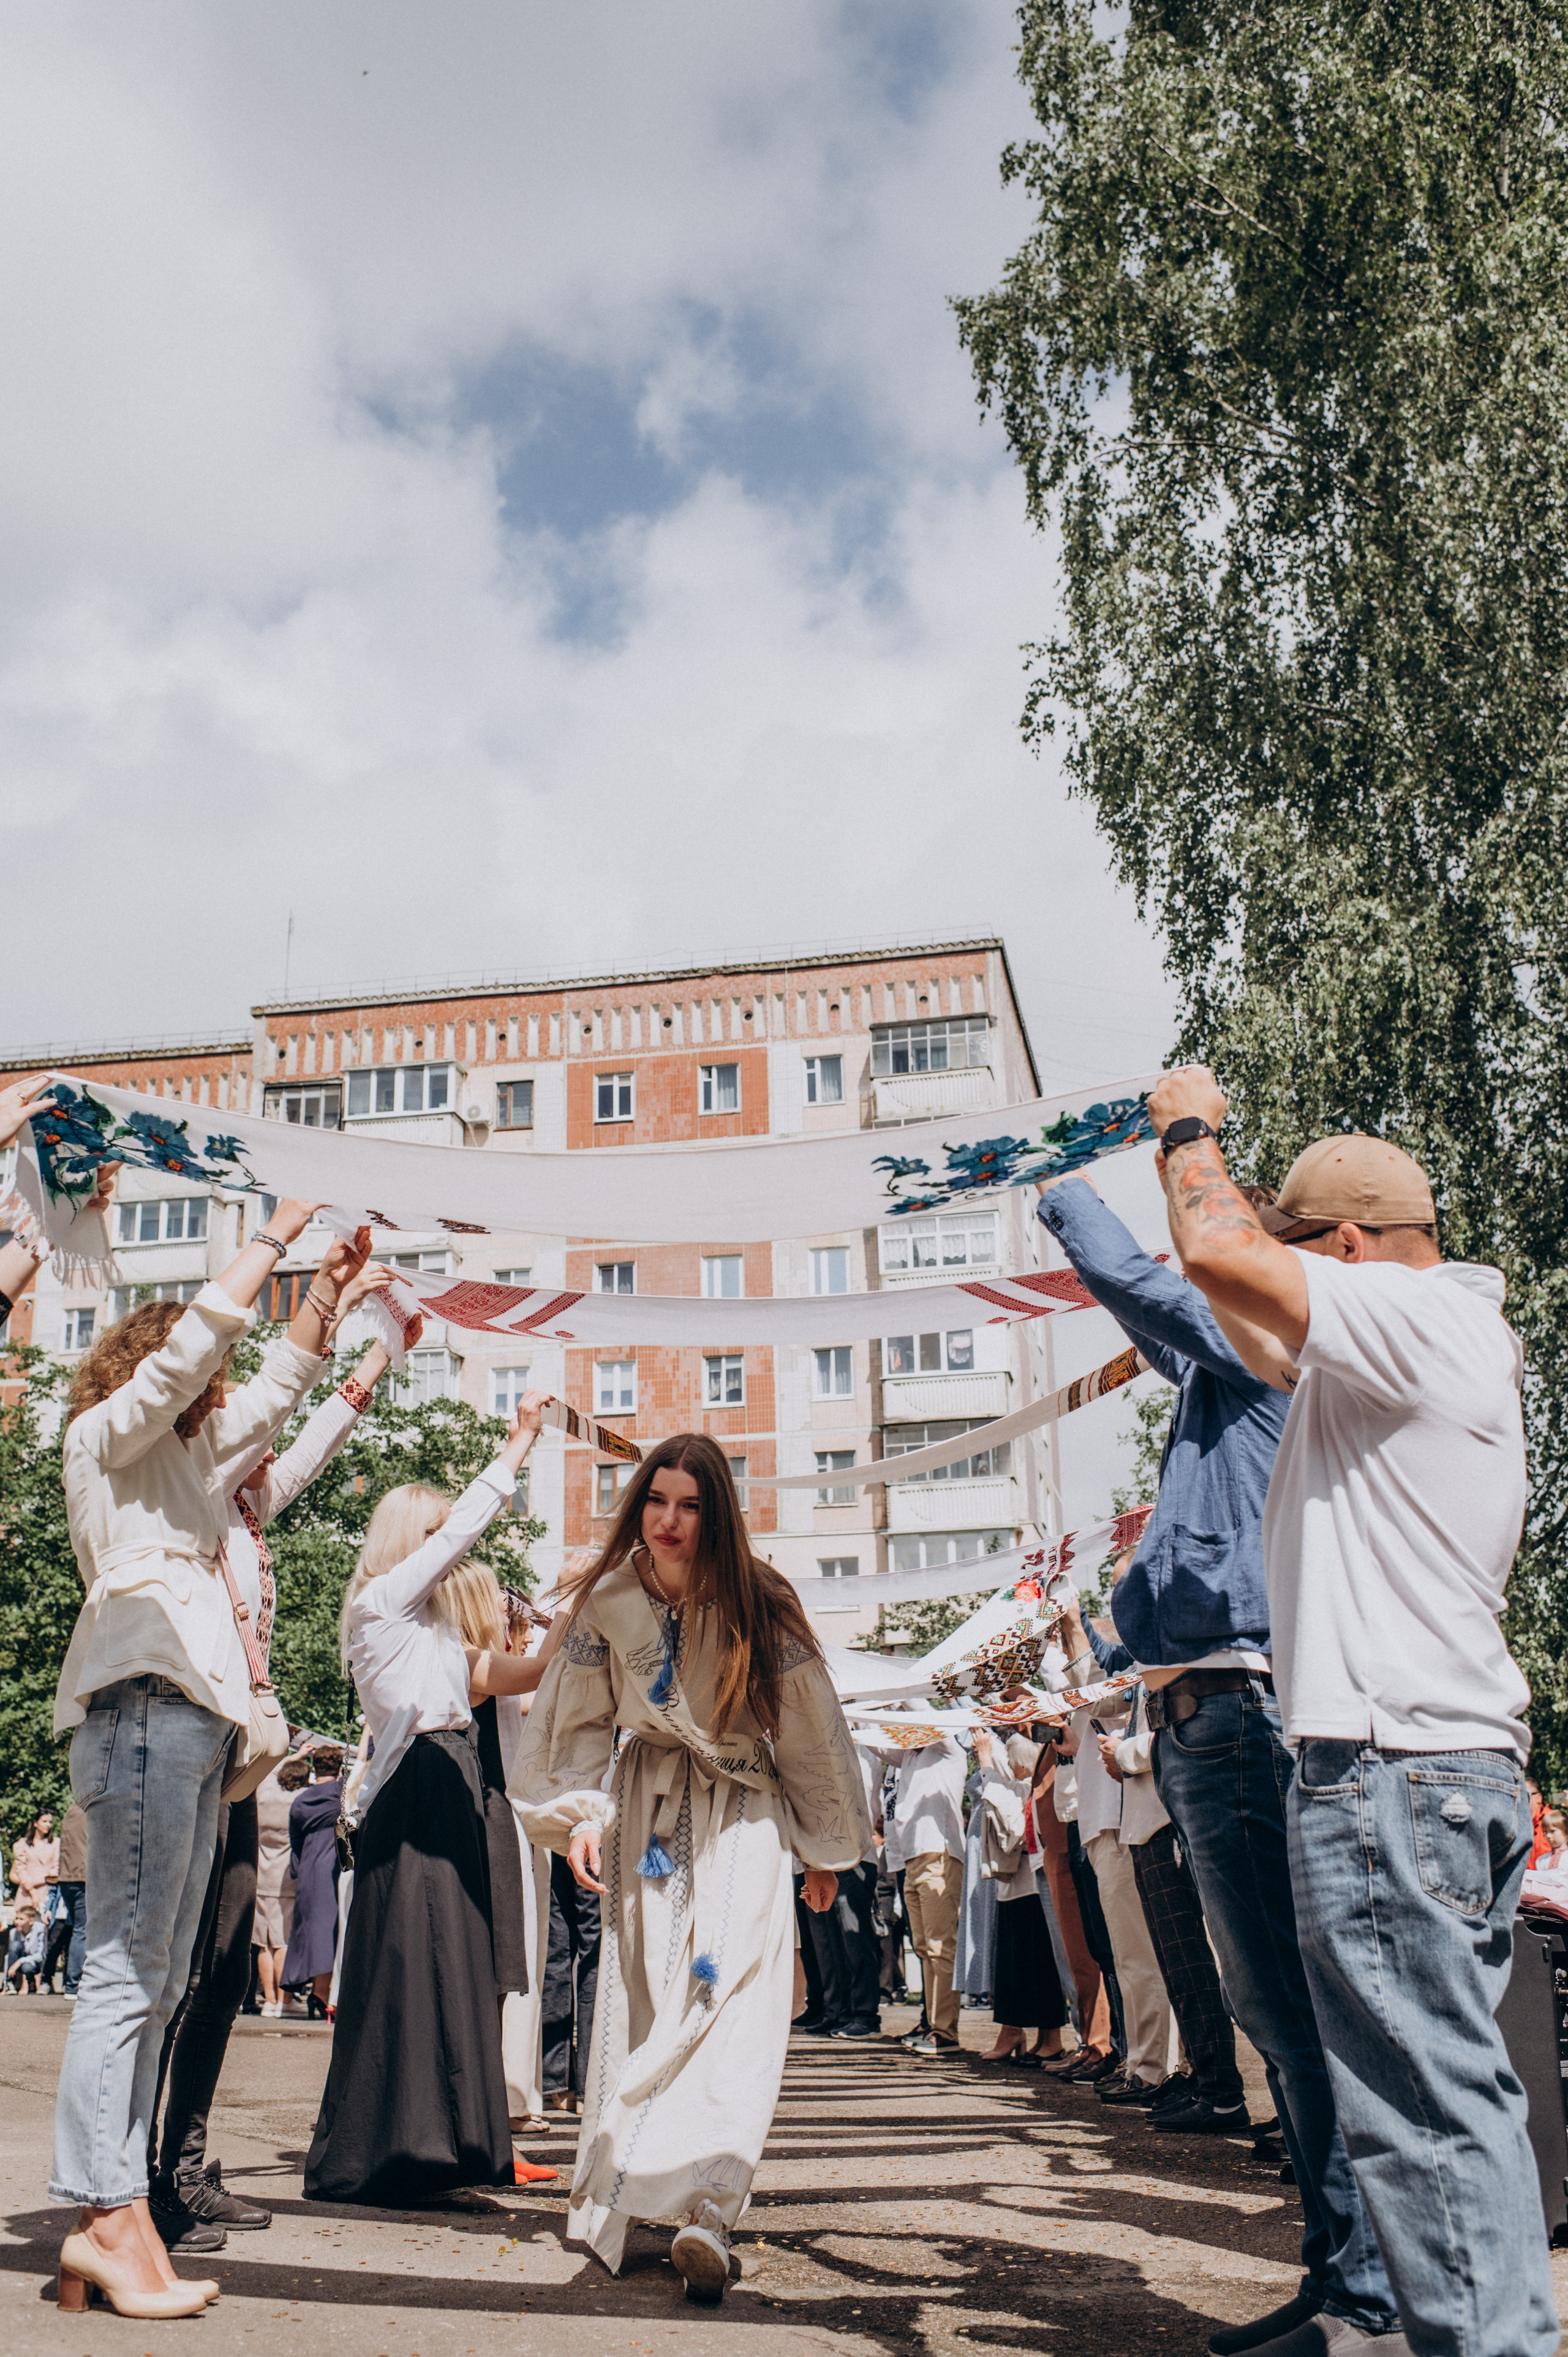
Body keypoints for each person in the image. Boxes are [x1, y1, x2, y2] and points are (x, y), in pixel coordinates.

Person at [1145, 1066, 1555, 2357]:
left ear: (1355, 1249)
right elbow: (1234, 1306)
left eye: (1301, 1245)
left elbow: (1217, 1250)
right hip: (1426, 1769)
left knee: (1425, 2120)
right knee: (1440, 2103)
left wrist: (1186, 1130)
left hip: (1392, 1770)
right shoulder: (1405, 1349)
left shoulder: (1412, 1317)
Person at [1039, 1160, 1396, 2357]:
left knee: (1296, 2018)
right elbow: (1154, 1318)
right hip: (1213, 1713)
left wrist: (1053, 1171)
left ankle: (1361, 2297)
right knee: (1275, 2015)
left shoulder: (1267, 1336)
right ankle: (1341, 2280)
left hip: (1245, 1712)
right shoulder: (1227, 1361)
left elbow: (1132, 1277)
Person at [48, 1196, 337, 2320]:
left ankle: (115, 2216)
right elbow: (186, 1369)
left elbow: (271, 1397)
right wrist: (270, 1243)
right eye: (194, 1382)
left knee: (160, 1977)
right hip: (144, 1707)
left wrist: (323, 1298)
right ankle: (101, 2210)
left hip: (191, 1724)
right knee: (125, 1970)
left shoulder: (186, 1470)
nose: (215, 1400)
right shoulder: (104, 1441)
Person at [510, 1434, 870, 2302]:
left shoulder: (761, 1597)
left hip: (746, 1808)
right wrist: (582, 1816)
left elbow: (813, 1725)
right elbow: (572, 1724)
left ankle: (711, 2204)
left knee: (732, 1992)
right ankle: (630, 2193)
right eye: (656, 1501)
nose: (669, 1521)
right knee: (647, 1989)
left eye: (691, 1505)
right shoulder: (609, 1600)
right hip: (651, 1814)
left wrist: (823, 1850)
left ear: (717, 1513)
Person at [148, 1272, 398, 2252]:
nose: (266, 1465)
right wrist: (328, 1306)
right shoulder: (192, 1488)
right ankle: (140, 2181)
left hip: (235, 1759)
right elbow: (274, 1423)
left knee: (216, 1970)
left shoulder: (243, 1508)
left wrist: (383, 1350)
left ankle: (181, 2164)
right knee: (177, 1969)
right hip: (188, 1742)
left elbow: (304, 1445)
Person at [303, 1394, 552, 2208]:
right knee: (415, 1964)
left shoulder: (429, 1632)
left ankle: (448, 2143)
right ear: (413, 1541)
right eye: (437, 1534)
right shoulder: (382, 1606)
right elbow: (463, 1536)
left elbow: (504, 1678)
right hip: (416, 1791)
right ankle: (401, 2147)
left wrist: (579, 1631)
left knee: (452, 1962)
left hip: (447, 1787)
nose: (453, 1552)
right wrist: (516, 1444)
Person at [1097, 1680, 1246, 2130]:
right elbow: (1103, 1699)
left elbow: (1187, 1726)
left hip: (1169, 1819)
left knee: (1195, 1966)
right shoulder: (1143, 1668)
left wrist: (1125, 1754)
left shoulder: (1178, 1656)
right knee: (1180, 1968)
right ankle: (1205, 2082)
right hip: (1146, 1824)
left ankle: (1221, 2092)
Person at [858, 1726, 968, 2057]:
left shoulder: (947, 1749)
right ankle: (934, 2025)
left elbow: (920, 1708)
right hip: (911, 1857)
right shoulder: (908, 1756)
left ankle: (945, 2031)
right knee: (923, 1946)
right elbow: (877, 1743)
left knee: (939, 1946)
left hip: (940, 1853)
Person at [972, 1732, 1068, 2064]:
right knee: (1014, 1965)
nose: (1009, 1767)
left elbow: (1010, 1822)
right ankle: (1017, 2031)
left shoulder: (1030, 1788)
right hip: (1014, 1888)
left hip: (1032, 1886)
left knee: (1040, 1964)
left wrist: (986, 1763)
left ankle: (1050, 2038)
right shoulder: (1021, 1784)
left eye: (1013, 1762)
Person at [282, 1747, 344, 2011]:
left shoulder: (301, 1801)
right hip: (333, 1863)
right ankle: (321, 1994)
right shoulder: (340, 1795)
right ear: (339, 1767)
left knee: (310, 1929)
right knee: (329, 1930)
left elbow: (295, 1842)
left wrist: (299, 1868)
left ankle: (318, 1992)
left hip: (308, 1866)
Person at [253, 1756, 309, 2015]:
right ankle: (286, 2002)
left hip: (260, 1876)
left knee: (264, 1944)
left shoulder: (263, 1794)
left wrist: (295, 1755)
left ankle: (270, 2000)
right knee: (283, 1941)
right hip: (286, 1878)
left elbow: (270, 1766)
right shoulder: (299, 1801)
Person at [43, 1805, 88, 1998]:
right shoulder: (92, 1807)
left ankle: (73, 1982)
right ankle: (73, 1985)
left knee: (77, 1930)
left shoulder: (72, 1810)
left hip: (67, 1879)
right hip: (83, 1877)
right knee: (82, 1930)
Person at [12, 1812, 59, 1913]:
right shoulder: (23, 1844)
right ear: (36, 1823)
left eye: (50, 1822)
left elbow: (56, 1869)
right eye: (44, 1821)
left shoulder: (56, 1843)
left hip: (47, 1892)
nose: (48, 1825)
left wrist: (41, 1880)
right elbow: (20, 1870)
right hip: (26, 1893)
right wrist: (32, 1890)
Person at [7, 1904, 47, 1993]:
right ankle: (10, 1983)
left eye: (21, 1919)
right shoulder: (14, 1932)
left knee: (27, 1967)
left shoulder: (40, 1929)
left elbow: (40, 1956)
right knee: (15, 1945)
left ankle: (30, 1981)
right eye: (17, 1918)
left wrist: (20, 1961)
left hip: (34, 1964)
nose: (17, 1922)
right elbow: (10, 1956)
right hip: (18, 1963)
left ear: (31, 1921)